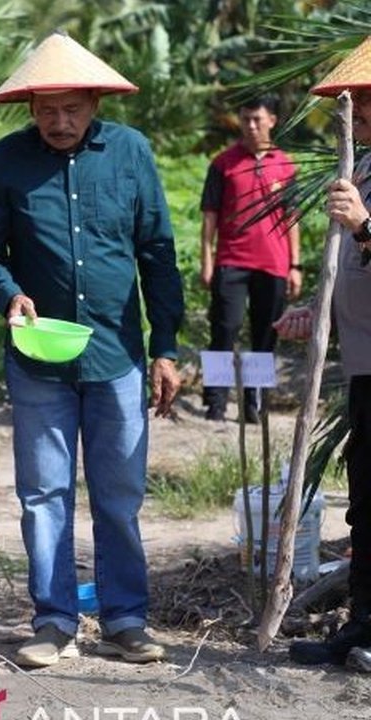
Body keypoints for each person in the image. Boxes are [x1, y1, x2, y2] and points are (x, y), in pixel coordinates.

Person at [0, 31, 183, 668]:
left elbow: (158, 256)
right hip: (38, 358)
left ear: (95, 103)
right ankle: (54, 621)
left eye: (73, 109)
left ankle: (125, 619)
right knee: (43, 493)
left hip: (118, 356)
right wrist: (8, 295)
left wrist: (166, 348)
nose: (60, 122)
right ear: (30, 107)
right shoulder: (4, 162)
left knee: (119, 494)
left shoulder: (131, 153)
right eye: (47, 110)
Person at [283, 38, 371, 669]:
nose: (357, 109)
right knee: (365, 501)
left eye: (367, 100)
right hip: (363, 360)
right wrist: (319, 311)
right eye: (356, 100)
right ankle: (361, 628)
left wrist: (365, 226)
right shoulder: (363, 166)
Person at [200, 95, 301, 423]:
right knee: (224, 330)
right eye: (245, 119)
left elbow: (292, 218)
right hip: (231, 260)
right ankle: (214, 404)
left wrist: (295, 265)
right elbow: (210, 217)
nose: (251, 125)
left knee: (265, 335)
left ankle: (254, 406)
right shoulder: (222, 163)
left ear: (272, 119)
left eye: (257, 119)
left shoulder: (285, 165)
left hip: (274, 263)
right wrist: (207, 259)